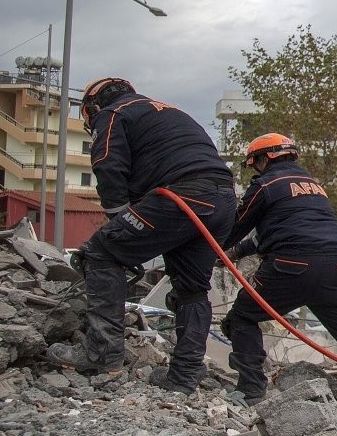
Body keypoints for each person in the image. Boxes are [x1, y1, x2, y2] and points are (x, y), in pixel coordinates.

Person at [47, 77, 237, 394]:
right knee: (192, 290)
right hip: (222, 200)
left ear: (94, 105)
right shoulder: (170, 113)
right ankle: (185, 375)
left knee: (101, 252)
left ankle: (101, 352)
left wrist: (118, 225)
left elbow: (108, 165)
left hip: (181, 196)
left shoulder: (113, 113)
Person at [218, 133, 337, 427]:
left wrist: (212, 245)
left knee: (241, 318)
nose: (256, 170)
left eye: (256, 164)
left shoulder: (265, 185)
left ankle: (251, 389)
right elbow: (285, 230)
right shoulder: (314, 187)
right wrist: (239, 251)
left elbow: (235, 227)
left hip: (289, 268)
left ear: (266, 159)